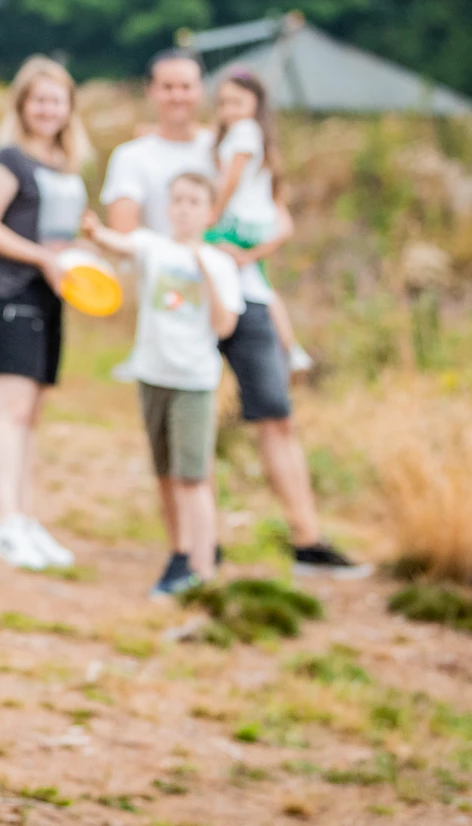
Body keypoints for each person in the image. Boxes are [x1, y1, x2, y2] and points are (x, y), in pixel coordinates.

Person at [100, 49, 369, 579]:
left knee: (275, 414)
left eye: (188, 86)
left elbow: (275, 212)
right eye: (168, 87)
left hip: (243, 298)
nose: (179, 96)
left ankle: (307, 540)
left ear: (201, 92)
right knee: (177, 435)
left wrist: (246, 253)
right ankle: (192, 549)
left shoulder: (226, 144)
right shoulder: (134, 156)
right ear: (152, 91)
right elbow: (124, 232)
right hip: (179, 309)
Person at [82, 173, 242, 596]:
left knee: (193, 477)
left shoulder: (222, 264)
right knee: (166, 476)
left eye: (193, 202)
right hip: (152, 375)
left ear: (209, 212)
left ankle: (203, 570)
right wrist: (95, 232)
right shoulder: (154, 247)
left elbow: (225, 325)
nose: (184, 209)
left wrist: (203, 265)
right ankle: (179, 552)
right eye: (177, 200)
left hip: (193, 382)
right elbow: (120, 243)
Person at [0, 55, 91, 570]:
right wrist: (41, 257)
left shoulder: (64, 167)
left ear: (68, 108)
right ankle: (2, 522)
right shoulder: (7, 161)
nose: (47, 108)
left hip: (50, 299)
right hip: (10, 294)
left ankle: (23, 516)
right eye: (38, 99)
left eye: (56, 100)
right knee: (11, 410)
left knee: (32, 416)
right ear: (23, 104)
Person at [209, 69, 314, 374]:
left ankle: (214, 343)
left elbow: (231, 179)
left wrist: (213, 214)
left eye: (236, 102)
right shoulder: (257, 138)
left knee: (197, 249)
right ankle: (293, 350)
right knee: (261, 286)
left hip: (238, 224)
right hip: (257, 229)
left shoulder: (244, 131)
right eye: (223, 103)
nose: (228, 110)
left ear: (255, 102)